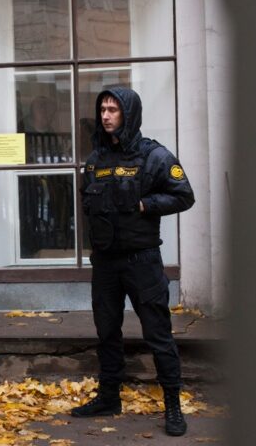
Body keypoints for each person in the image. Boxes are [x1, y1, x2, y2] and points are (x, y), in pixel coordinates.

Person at [72, 87, 195, 437]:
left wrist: (145, 204)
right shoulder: (95, 159)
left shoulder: (154, 156)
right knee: (107, 332)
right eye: (103, 110)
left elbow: (184, 195)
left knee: (158, 335)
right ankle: (109, 398)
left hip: (142, 262)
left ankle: (172, 405)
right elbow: (86, 199)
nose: (106, 115)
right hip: (106, 265)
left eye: (113, 110)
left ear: (129, 114)